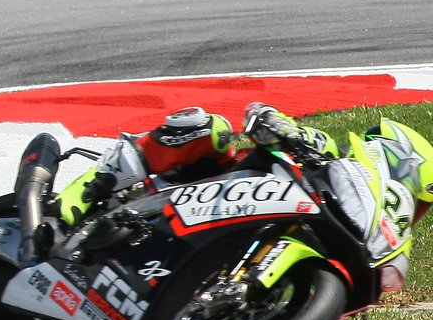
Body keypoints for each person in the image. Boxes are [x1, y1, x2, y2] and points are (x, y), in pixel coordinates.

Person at [53, 103, 433, 287]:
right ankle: (72, 205)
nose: (414, 213)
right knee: (208, 129)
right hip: (198, 196)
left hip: (225, 251)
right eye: (417, 202)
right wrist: (276, 125)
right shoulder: (324, 152)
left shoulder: (371, 234)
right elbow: (262, 117)